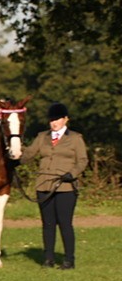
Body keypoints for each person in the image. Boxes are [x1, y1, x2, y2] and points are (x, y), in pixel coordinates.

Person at [20, 103, 88, 270]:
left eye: (57, 119)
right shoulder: (42, 137)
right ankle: (48, 259)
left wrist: (72, 173)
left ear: (65, 119)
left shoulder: (75, 138)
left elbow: (82, 161)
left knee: (65, 223)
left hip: (66, 187)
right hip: (44, 185)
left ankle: (69, 260)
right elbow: (28, 154)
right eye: (51, 120)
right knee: (48, 224)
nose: (54, 122)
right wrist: (14, 150)